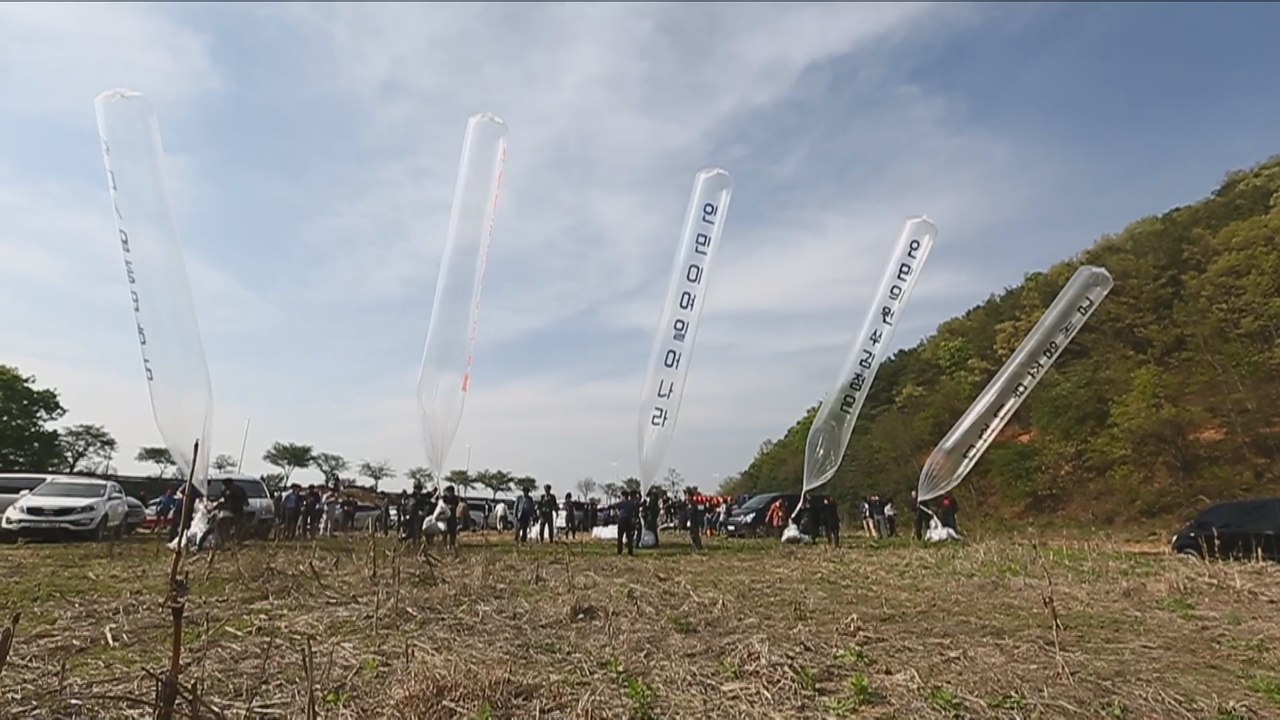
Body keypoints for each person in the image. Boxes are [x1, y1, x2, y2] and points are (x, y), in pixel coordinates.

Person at [615, 490, 638, 556]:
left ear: (624, 496)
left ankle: (619, 551)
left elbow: (615, 507)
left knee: (620, 537)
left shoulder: (621, 503)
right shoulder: (632, 503)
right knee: (629, 537)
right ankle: (630, 551)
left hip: (622, 520)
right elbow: (636, 510)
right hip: (629, 521)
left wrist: (618, 513)